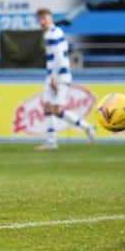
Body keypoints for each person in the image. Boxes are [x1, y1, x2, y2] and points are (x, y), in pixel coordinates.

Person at [35, 8, 95, 150]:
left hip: (60, 76)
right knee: (48, 106)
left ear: (50, 18)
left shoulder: (53, 34)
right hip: (53, 75)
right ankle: (51, 141)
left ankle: (87, 127)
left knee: (56, 109)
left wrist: (55, 77)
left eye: (44, 18)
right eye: (40, 19)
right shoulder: (50, 33)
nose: (42, 22)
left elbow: (60, 57)